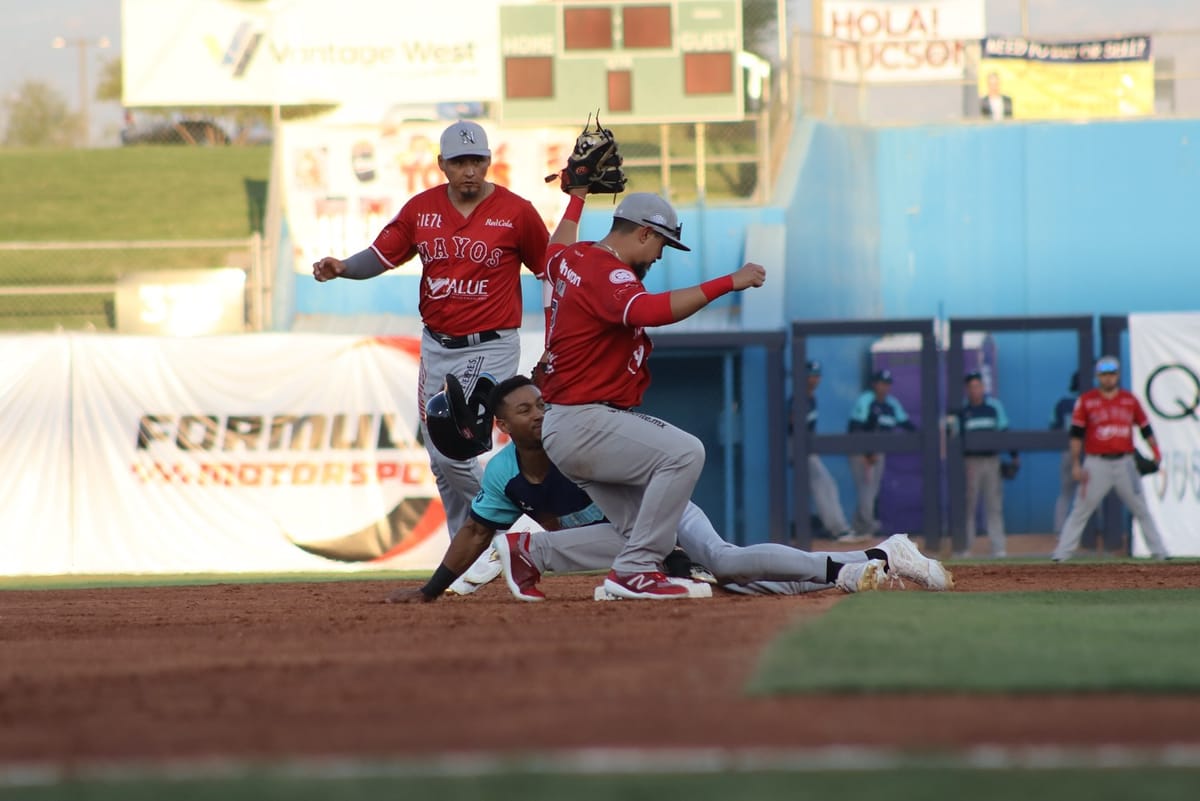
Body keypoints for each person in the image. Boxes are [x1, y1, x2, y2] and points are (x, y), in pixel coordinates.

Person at [386, 376, 953, 604]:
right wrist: (433, 590)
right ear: (505, 425)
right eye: (525, 409)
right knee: (741, 587)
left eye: (541, 402)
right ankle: (874, 559)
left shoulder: (580, 439)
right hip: (637, 545)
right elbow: (476, 528)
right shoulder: (505, 472)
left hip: (664, 516)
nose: (540, 413)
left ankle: (863, 562)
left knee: (728, 564)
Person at [312, 120, 551, 575]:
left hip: (491, 342)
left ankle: (502, 523)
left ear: (488, 162)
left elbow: (551, 270)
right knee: (441, 461)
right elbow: (380, 256)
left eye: (476, 160)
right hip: (437, 344)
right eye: (459, 162)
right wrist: (342, 266)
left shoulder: (516, 212)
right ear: (441, 165)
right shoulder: (420, 210)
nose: (468, 170)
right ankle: (468, 559)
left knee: (449, 443)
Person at [539, 192, 767, 600]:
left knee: (635, 526)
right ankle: (636, 571)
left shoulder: (575, 258)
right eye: (662, 243)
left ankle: (528, 553)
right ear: (645, 233)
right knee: (685, 452)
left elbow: (553, 248)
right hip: (585, 419)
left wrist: (576, 195)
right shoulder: (608, 272)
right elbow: (649, 311)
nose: (660, 256)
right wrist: (727, 282)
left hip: (567, 422)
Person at [1051, 355, 1169, 562]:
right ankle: (1061, 554)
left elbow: (1145, 428)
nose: (1108, 379)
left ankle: (1160, 552)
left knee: (1141, 508)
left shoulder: (1129, 400)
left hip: (1125, 462)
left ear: (1118, 375)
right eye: (1104, 375)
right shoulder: (1087, 401)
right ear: (1098, 376)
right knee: (1081, 509)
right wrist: (1077, 463)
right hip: (1097, 463)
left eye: (1112, 374)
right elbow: (1077, 434)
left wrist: (1156, 452)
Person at [846, 369, 916, 540]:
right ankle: (867, 526)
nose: (884, 387)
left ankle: (858, 528)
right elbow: (855, 427)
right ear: (874, 384)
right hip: (861, 451)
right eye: (881, 383)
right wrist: (866, 452)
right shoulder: (866, 400)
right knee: (866, 490)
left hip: (878, 452)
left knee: (871, 491)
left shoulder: (891, 404)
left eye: (887, 384)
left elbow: (906, 424)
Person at [955, 371, 1017, 558]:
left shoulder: (993, 407)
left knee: (994, 503)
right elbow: (955, 439)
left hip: (991, 460)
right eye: (971, 387)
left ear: (983, 387)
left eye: (978, 386)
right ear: (967, 390)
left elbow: (1004, 430)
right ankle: (966, 547)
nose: (975, 390)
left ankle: (998, 547)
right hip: (971, 461)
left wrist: (1014, 455)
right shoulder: (963, 411)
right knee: (969, 503)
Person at [795, 360, 857, 542]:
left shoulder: (811, 398)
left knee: (827, 485)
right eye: (810, 376)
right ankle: (838, 530)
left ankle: (838, 528)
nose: (814, 380)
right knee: (825, 485)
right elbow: (793, 424)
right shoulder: (799, 398)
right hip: (798, 448)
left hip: (809, 450)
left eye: (816, 376)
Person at [1050, 371, 1081, 532]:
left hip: (1067, 451)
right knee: (1088, 494)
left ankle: (1060, 531)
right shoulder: (1089, 401)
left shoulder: (1063, 403)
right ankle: (1091, 532)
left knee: (1065, 494)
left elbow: (1053, 426)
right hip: (1086, 452)